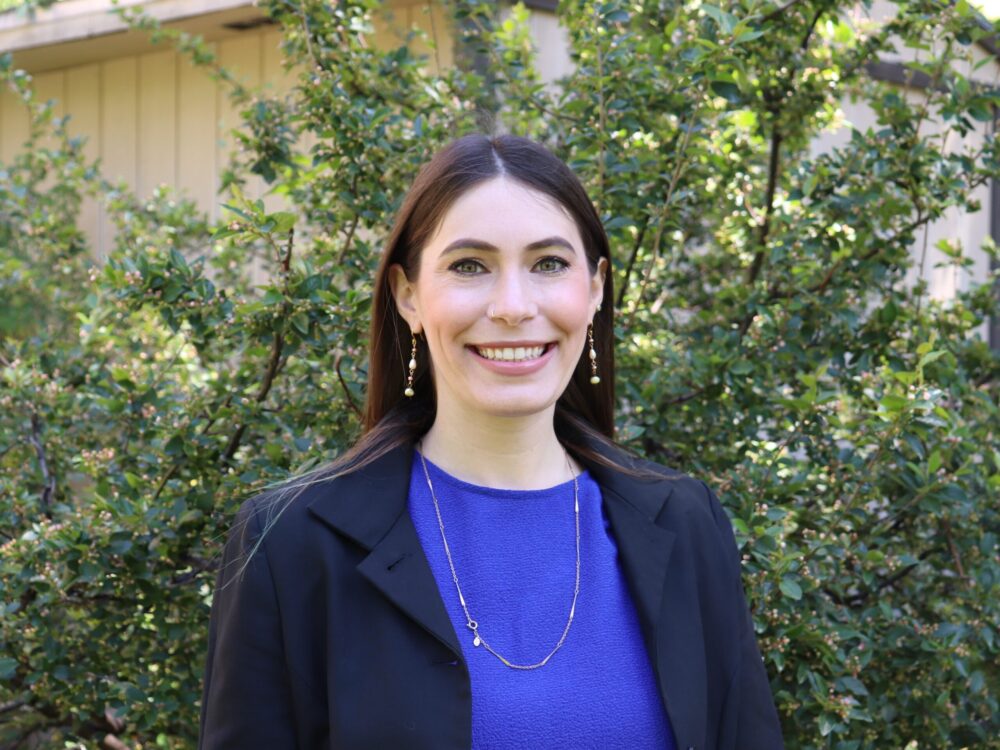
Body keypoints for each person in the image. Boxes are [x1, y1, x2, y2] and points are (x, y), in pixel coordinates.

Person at [198, 134, 784, 749]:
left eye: (549, 264)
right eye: (469, 266)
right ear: (408, 296)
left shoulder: (687, 523)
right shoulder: (290, 541)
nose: (512, 306)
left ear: (595, 289)